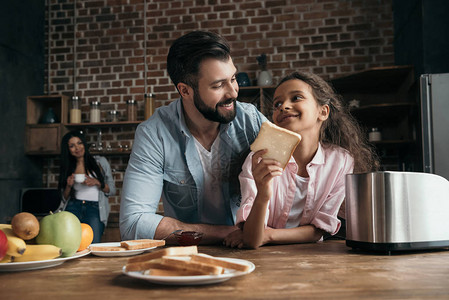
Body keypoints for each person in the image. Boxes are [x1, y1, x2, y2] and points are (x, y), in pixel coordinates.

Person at [120, 31, 267, 243]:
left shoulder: (250, 120)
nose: (233, 92)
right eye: (218, 85)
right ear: (185, 91)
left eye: (233, 79)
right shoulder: (154, 134)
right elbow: (133, 224)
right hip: (190, 254)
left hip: (255, 248)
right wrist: (228, 234)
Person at [224, 71, 379, 249]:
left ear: (323, 111)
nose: (283, 107)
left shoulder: (341, 161)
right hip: (263, 260)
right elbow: (252, 240)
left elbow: (318, 230)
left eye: (296, 97)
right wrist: (263, 193)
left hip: (313, 257)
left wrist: (268, 235)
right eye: (277, 104)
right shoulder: (258, 159)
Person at [59, 130, 116, 243]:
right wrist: (69, 186)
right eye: (72, 145)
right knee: (70, 243)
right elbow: (64, 198)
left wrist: (97, 183)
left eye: (79, 143)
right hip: (73, 206)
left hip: (95, 208)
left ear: (84, 144)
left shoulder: (100, 162)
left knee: (93, 244)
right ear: (68, 149)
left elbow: (112, 190)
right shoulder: (68, 166)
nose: (77, 148)